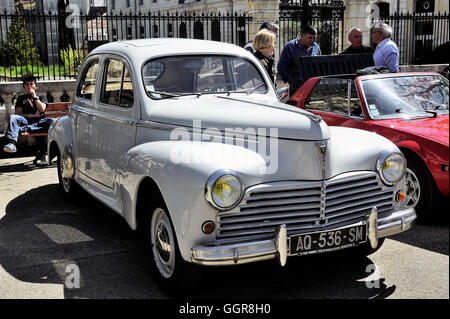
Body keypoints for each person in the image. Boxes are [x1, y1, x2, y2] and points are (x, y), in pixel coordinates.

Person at [3, 74, 53, 154]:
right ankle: (12, 143)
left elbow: (41, 109)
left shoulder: (42, 97)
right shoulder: (21, 98)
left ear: (36, 86)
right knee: (13, 117)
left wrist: (34, 96)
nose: (29, 86)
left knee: (51, 120)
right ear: (24, 87)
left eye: (31, 84)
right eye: (27, 84)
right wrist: (31, 115)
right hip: (26, 121)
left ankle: (25, 129)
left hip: (40, 122)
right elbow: (18, 113)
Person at [277, 25, 321, 94]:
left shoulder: (316, 47)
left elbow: (319, 66)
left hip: (313, 89)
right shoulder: (290, 47)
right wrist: (290, 81)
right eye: (310, 37)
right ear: (302, 35)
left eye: (314, 38)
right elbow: (281, 67)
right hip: (297, 89)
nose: (312, 40)